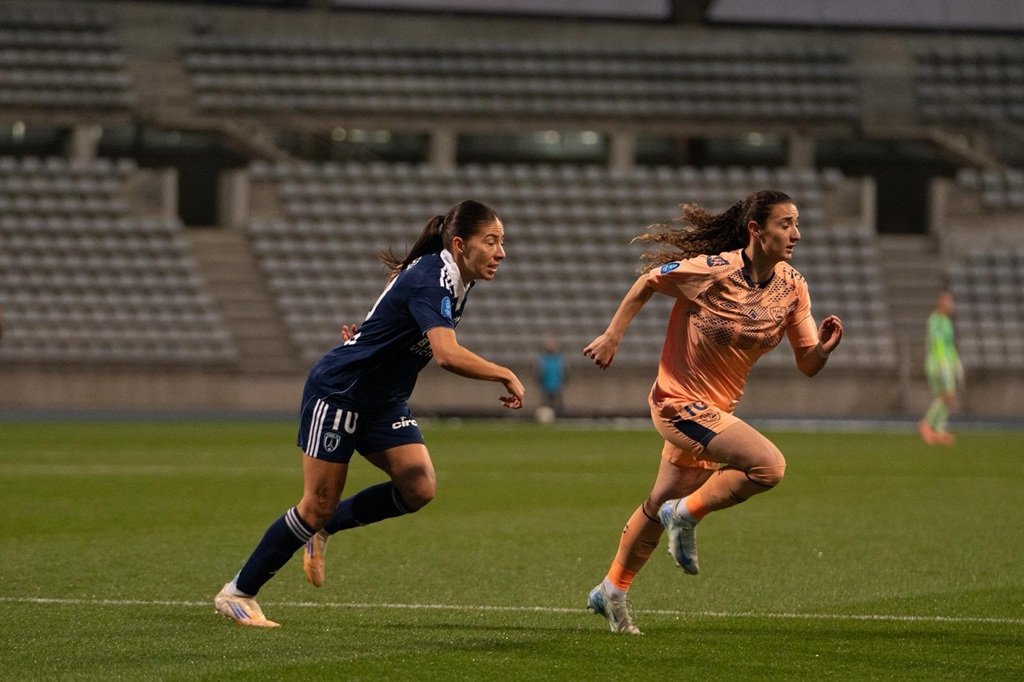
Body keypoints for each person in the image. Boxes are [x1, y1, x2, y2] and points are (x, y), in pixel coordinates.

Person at [215, 200, 525, 627]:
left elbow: (389, 316)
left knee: (418, 488)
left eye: (501, 242)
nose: (501, 252)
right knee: (315, 505)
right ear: (459, 243)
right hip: (342, 393)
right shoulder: (432, 278)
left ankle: (324, 530)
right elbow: (447, 355)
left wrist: (367, 336)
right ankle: (238, 592)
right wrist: (504, 373)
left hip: (383, 400)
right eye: (491, 241)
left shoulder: (455, 278)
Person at [582, 190, 843, 635]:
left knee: (658, 500)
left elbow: (807, 364)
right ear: (756, 231)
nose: (796, 233)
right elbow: (647, 281)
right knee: (768, 466)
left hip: (714, 413)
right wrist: (611, 336)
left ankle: (611, 591)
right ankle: (686, 515)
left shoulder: (793, 286)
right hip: (676, 402)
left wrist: (823, 349)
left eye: (797, 224)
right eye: (786, 224)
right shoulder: (712, 270)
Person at [918, 291, 962, 446]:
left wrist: (956, 361)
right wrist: (943, 363)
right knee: (947, 395)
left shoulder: (947, 321)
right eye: (948, 302)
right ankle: (926, 424)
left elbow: (950, 344)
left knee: (945, 396)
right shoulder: (935, 320)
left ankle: (939, 429)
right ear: (941, 303)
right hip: (938, 362)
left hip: (947, 362)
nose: (951, 305)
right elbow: (937, 344)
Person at [536, 337, 568, 417]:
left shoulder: (559, 359)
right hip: (546, 386)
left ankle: (559, 418)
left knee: (558, 404)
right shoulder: (543, 360)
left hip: (557, 385)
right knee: (546, 404)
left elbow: (565, 372)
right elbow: (538, 373)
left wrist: (563, 383)